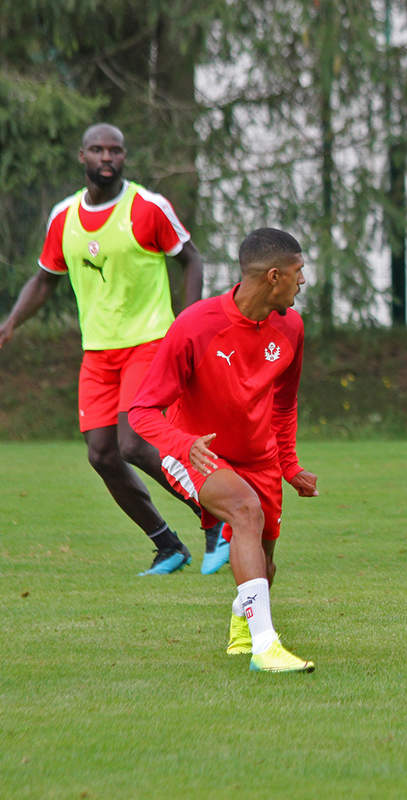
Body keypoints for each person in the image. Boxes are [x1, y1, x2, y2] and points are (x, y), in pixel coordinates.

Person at [0, 123, 229, 576]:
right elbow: (45, 279)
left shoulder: (147, 208)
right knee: (102, 453)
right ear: (81, 156)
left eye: (116, 150)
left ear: (125, 157)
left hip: (150, 343)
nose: (107, 158)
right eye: (98, 150)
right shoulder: (63, 217)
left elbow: (192, 259)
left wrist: (191, 323)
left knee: (135, 441)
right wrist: (9, 324)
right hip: (98, 353)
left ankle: (218, 519)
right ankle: (168, 547)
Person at [129, 227, 318, 673]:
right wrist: (184, 444)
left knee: (265, 566)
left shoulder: (291, 326)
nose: (302, 281)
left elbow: (284, 404)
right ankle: (266, 647)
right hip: (194, 453)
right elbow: (142, 411)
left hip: (260, 456)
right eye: (298, 272)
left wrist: (289, 466)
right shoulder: (195, 325)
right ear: (274, 276)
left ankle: (241, 631)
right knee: (245, 512)